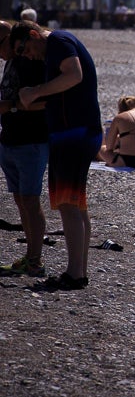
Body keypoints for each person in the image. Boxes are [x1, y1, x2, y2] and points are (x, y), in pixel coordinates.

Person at [11, 20, 101, 291]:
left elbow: (74, 75)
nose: (27, 56)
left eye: (24, 49)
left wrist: (36, 91)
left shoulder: (58, 41)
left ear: (33, 34)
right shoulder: (55, 47)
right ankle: (79, 271)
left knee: (67, 204)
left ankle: (74, 274)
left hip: (74, 133)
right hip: (76, 131)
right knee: (77, 204)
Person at [0, 20, 49, 278]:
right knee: (20, 199)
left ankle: (35, 259)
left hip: (31, 140)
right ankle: (29, 256)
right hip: (10, 138)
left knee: (30, 199)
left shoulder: (31, 60)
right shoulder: (13, 61)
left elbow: (46, 101)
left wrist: (11, 106)